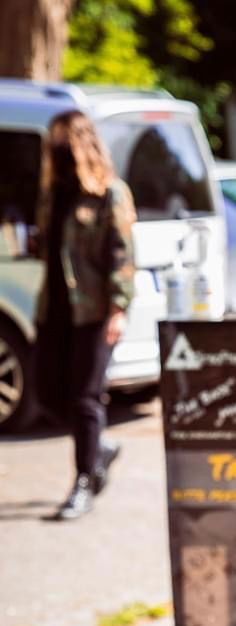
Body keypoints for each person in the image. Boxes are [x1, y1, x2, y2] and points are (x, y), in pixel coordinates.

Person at [34, 109, 136, 520]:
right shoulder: (51, 193)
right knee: (46, 392)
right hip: (54, 310)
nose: (57, 151)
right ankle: (100, 448)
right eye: (52, 142)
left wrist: (119, 308)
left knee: (85, 397)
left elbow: (123, 255)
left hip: (94, 310)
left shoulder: (110, 193)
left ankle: (83, 481)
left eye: (64, 141)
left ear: (82, 143)